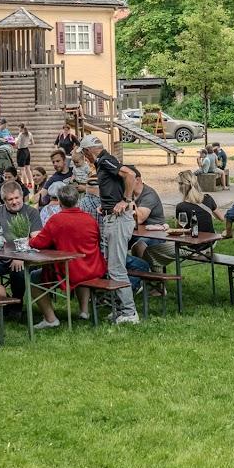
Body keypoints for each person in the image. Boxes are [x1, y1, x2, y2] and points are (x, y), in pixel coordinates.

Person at [80, 133, 139, 324]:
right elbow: (116, 184)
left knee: (116, 267)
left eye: (85, 154)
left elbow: (130, 175)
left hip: (119, 219)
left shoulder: (105, 160)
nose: (86, 158)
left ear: (88, 151)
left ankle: (130, 313)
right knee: (112, 266)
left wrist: (126, 200)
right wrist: (106, 205)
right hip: (111, 216)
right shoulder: (103, 162)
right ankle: (121, 309)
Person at [29, 183, 107, 326]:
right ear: (77, 200)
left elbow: (38, 243)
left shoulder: (56, 220)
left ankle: (50, 319)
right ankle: (84, 311)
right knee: (81, 273)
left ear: (59, 201)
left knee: (33, 278)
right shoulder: (89, 219)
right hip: (93, 267)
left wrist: (29, 240)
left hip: (69, 269)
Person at [0, 181, 43, 307]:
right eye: (10, 199)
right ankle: (4, 299)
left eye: (16, 198)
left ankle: (16, 307)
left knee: (18, 270)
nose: (14, 202)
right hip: (0, 258)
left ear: (22, 196)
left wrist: (20, 256)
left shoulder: (31, 212)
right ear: (4, 200)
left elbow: (36, 238)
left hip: (25, 259)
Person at [127, 165, 177, 269]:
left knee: (139, 245)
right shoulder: (129, 193)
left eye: (126, 180)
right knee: (114, 241)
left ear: (137, 179)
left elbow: (139, 219)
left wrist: (129, 200)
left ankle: (150, 277)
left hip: (156, 234)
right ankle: (127, 274)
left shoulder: (149, 195)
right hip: (136, 232)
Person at [173, 170, 223, 234]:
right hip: (210, 241)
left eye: (179, 184)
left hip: (192, 241)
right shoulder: (208, 198)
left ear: (182, 186)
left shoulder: (181, 206)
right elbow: (221, 218)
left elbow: (180, 231)